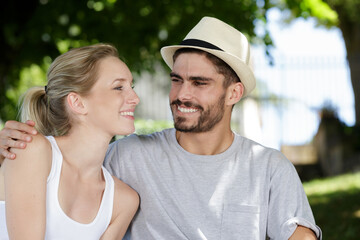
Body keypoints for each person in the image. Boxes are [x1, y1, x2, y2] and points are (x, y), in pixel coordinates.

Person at [0, 17, 321, 239]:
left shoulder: (268, 168)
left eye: (200, 82)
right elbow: (61, 163)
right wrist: (8, 152)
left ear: (233, 93)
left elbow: (301, 235)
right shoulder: (127, 157)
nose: (182, 94)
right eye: (176, 80)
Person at [0, 43, 140, 239]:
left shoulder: (123, 201)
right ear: (77, 103)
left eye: (131, 87)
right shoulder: (32, 150)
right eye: (119, 87)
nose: (135, 98)